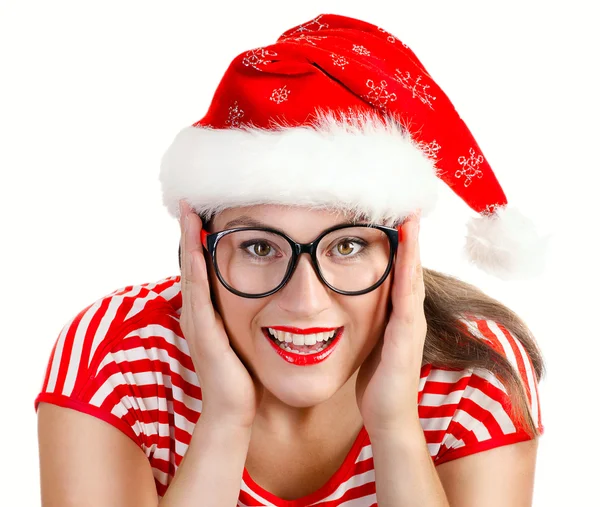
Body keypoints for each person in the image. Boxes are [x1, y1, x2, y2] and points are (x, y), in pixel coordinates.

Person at [35, 13, 547, 507]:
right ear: (199, 247)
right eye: (259, 246)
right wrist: (224, 421)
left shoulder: (475, 368)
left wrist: (395, 429)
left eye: (348, 245)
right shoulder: (111, 358)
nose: (305, 302)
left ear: (403, 249)